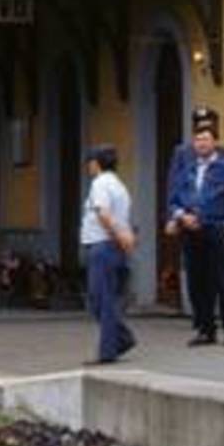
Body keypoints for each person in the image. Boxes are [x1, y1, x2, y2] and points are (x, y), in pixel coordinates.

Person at [165, 109, 224, 346]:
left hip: (216, 227)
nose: (201, 143)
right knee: (197, 282)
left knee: (223, 279)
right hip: (191, 230)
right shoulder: (187, 168)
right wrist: (179, 216)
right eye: (198, 139)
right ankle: (204, 329)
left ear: (215, 142)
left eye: (206, 139)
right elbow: (174, 195)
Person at [81, 143, 136, 365]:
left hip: (103, 245)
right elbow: (122, 216)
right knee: (106, 299)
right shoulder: (120, 186)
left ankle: (109, 350)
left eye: (89, 163)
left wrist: (120, 234)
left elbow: (103, 214)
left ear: (95, 164)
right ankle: (120, 339)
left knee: (100, 299)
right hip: (114, 246)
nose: (88, 167)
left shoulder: (100, 184)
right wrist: (125, 236)